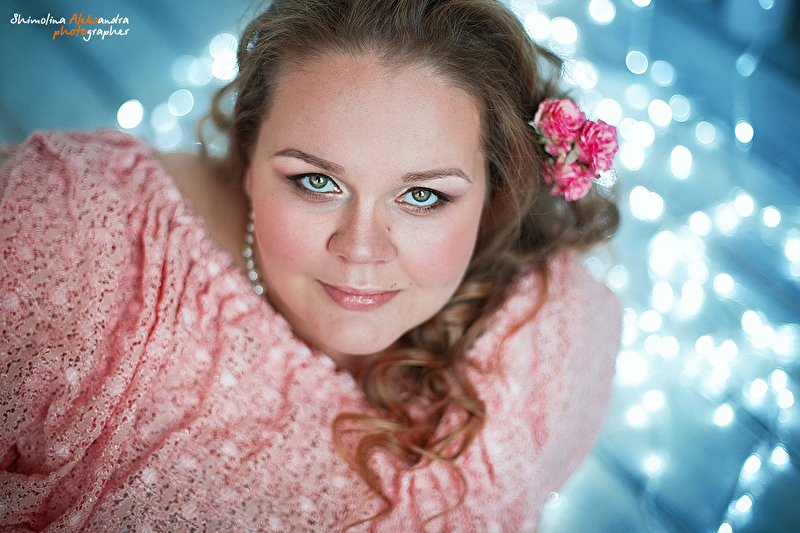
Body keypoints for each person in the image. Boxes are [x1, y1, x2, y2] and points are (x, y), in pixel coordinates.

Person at [0, 0, 621, 531]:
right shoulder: (73, 239)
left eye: (422, 195)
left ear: (493, 194)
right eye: (316, 181)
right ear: (247, 158)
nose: (361, 248)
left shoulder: (553, 335)